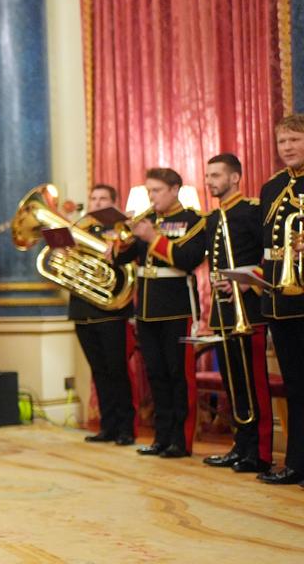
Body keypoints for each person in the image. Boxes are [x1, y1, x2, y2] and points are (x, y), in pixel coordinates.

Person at [114, 167, 204, 458]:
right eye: (149, 190)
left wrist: (153, 237)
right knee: (155, 375)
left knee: (179, 376)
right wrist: (122, 239)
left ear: (175, 189)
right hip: (147, 309)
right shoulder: (147, 220)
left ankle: (181, 439)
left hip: (176, 308)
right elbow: (124, 257)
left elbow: (188, 259)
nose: (151, 197)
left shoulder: (193, 220)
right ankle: (161, 437)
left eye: (157, 190)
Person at [201, 154, 273, 474]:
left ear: (235, 178)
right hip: (224, 312)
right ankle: (240, 444)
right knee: (233, 385)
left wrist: (247, 284)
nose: (210, 181)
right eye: (208, 175)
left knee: (254, 383)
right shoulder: (212, 219)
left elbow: (268, 258)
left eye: (216, 175)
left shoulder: (252, 211)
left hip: (251, 311)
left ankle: (259, 452)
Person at [68, 184, 136, 447]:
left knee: (116, 370)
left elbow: (129, 260)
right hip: (83, 309)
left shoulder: (122, 229)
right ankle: (107, 426)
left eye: (103, 199)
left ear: (114, 202)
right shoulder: (79, 229)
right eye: (93, 198)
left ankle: (125, 428)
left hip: (111, 310)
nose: (97, 203)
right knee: (98, 371)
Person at [257, 114, 304, 484]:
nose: (286, 147)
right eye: (282, 141)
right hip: (280, 298)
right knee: (293, 385)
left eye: (294, 140)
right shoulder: (272, 187)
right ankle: (295, 463)